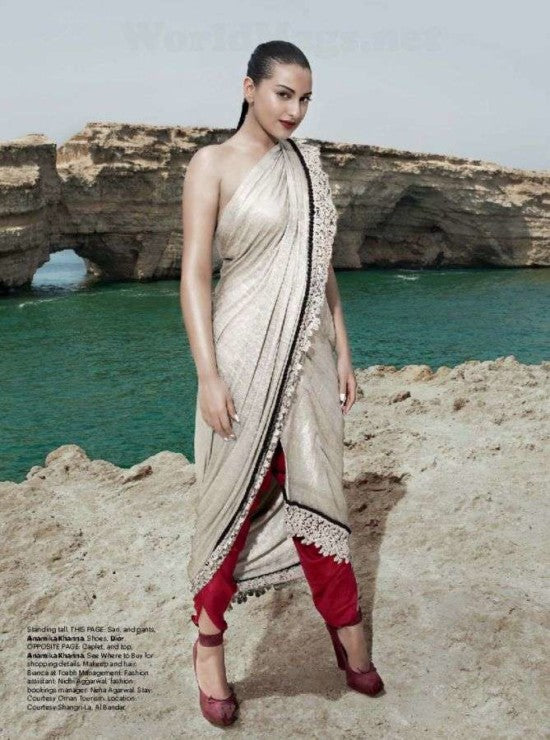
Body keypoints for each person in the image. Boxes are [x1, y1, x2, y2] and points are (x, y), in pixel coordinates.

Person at [180, 40, 384, 727]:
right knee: (232, 502)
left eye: (305, 99)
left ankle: (347, 632)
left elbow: (321, 268)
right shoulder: (211, 164)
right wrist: (208, 374)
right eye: (283, 94)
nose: (295, 111)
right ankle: (209, 645)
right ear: (249, 89)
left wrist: (344, 352)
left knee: (319, 487)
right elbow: (194, 276)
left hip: (311, 359)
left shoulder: (308, 166)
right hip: (240, 356)